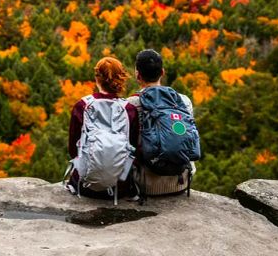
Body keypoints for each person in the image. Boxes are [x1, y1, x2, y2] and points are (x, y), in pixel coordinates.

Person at [66, 56, 139, 200]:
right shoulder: (129, 109)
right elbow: (135, 148)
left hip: (85, 186)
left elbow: (73, 150)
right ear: (121, 79)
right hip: (120, 187)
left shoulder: (82, 106)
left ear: (97, 79)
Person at [128, 49, 197, 197]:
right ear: (163, 72)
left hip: (145, 185)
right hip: (181, 182)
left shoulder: (131, 104)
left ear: (137, 75)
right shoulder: (183, 101)